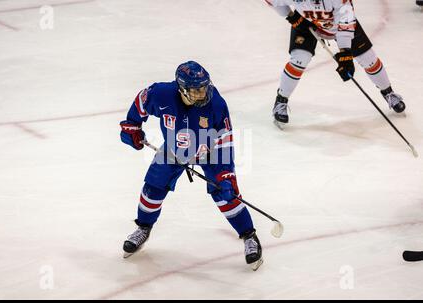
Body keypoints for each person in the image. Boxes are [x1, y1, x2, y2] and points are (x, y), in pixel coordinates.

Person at [119, 61, 263, 270]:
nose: (202, 93)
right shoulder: (161, 94)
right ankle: (143, 228)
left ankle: (249, 235)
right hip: (173, 150)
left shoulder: (217, 105)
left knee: (226, 195)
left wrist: (225, 175)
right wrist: (132, 126)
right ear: (181, 88)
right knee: (152, 188)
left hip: (209, 152)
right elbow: (141, 104)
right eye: (196, 90)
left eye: (204, 87)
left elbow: (225, 141)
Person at [264, 0, 406, 126]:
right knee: (299, 59)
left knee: (368, 59)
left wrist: (345, 52)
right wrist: (291, 15)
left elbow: (346, 18)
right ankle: (281, 101)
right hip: (307, 23)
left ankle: (389, 93)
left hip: (339, 26)